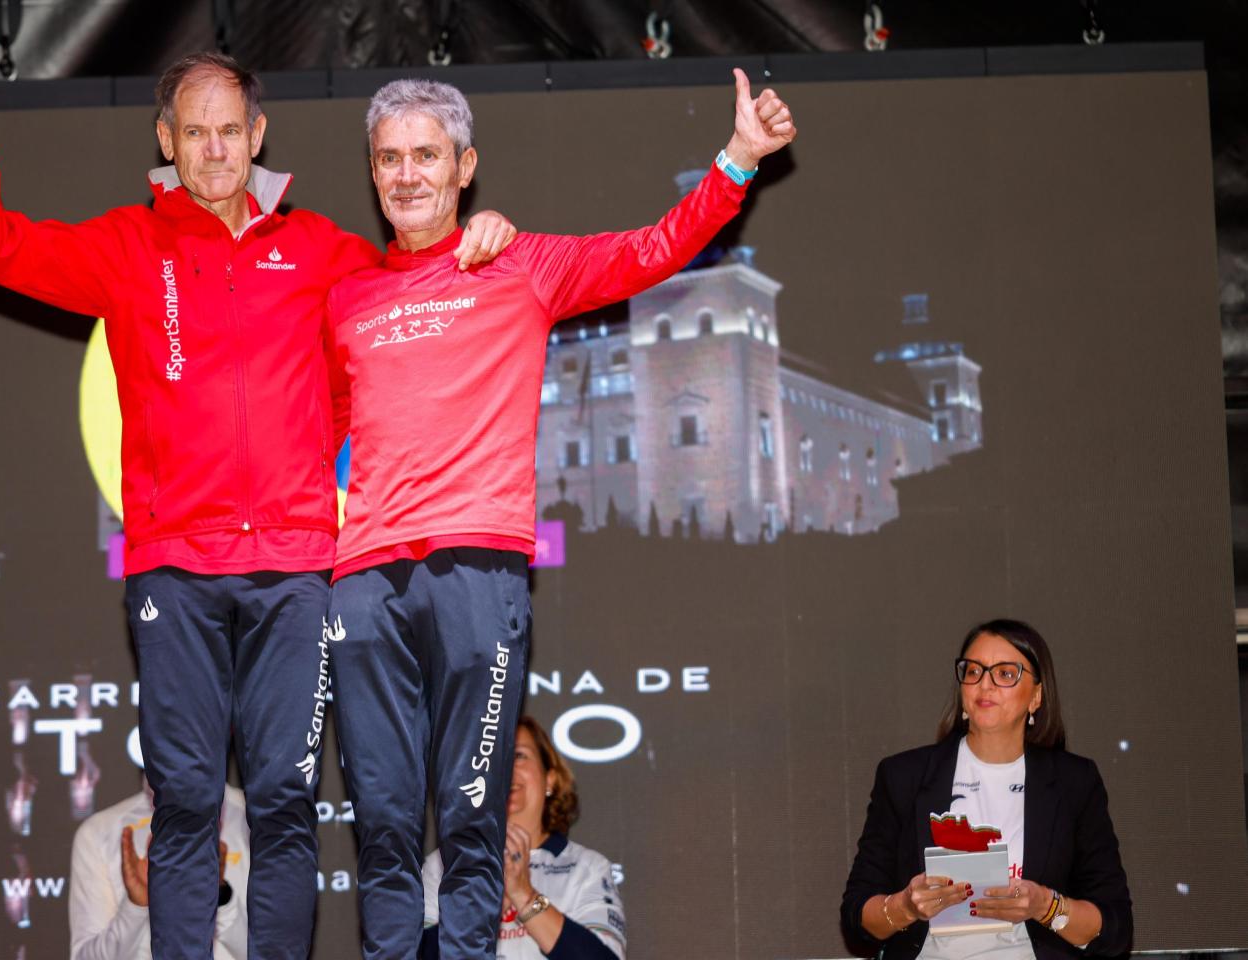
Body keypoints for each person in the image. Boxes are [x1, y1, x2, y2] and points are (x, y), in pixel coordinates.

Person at [0, 37, 514, 960]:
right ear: (167, 139)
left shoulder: (322, 249)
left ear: (258, 134)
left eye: (229, 131)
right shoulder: (127, 245)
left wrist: (486, 235)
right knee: (189, 802)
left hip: (294, 568)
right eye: (194, 133)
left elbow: (414, 290)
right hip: (175, 567)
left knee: (285, 800)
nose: (213, 150)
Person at [325, 72, 794, 959]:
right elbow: (324, 436)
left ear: (465, 167)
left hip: (478, 568)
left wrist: (737, 160)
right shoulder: (348, 298)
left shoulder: (522, 264)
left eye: (426, 155)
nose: (406, 174)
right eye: (388, 158)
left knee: (470, 821)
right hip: (366, 581)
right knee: (384, 827)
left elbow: (657, 248)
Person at [841, 619, 1133, 959]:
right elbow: (857, 918)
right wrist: (906, 905)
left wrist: (1045, 906)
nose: (985, 685)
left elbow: (1115, 928)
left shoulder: (1074, 782)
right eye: (974, 671)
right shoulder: (903, 777)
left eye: (1005, 674)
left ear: (1036, 696)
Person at [420, 717, 624, 959]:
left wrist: (524, 896)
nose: (504, 769)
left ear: (550, 778)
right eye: (492, 760)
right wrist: (481, 908)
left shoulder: (586, 867)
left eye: (518, 756)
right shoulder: (442, 866)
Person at [70, 781, 251, 960]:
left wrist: (220, 896)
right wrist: (135, 907)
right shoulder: (99, 832)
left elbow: (274, 951)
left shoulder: (254, 820)